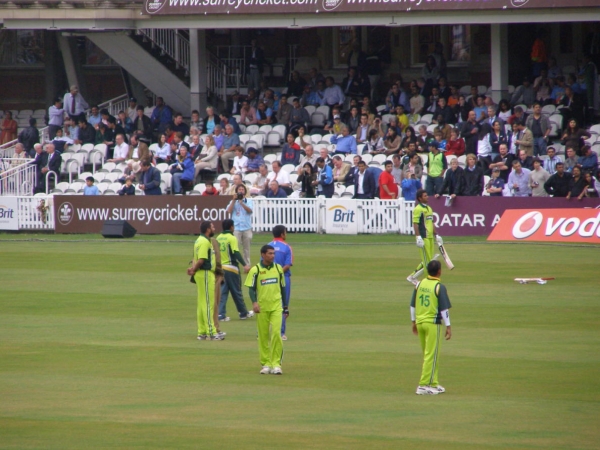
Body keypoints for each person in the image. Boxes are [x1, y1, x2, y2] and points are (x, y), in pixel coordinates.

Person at [411, 260, 452, 395]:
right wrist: (448, 326)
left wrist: (413, 322)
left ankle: (433, 383)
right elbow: (444, 310)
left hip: (420, 322)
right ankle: (423, 385)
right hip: (432, 324)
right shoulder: (439, 286)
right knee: (431, 355)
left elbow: (412, 305)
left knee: (429, 355)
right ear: (439, 271)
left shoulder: (419, 284)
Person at [245, 244, 287, 375]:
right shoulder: (256, 270)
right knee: (263, 336)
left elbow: (283, 288)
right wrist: (254, 303)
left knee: (276, 334)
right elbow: (251, 288)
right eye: (270, 253)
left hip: (276, 307)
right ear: (262, 255)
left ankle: (276, 364)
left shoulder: (278, 269)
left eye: (273, 253)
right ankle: (266, 364)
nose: (273, 256)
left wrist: (285, 307)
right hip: (262, 308)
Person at [187, 221, 222, 341]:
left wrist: (193, 269)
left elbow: (196, 259)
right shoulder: (204, 242)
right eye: (212, 227)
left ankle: (202, 331)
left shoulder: (198, 241)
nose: (214, 228)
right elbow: (201, 260)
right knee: (208, 303)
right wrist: (194, 270)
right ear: (208, 229)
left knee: (202, 303)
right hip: (206, 274)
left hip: (202, 274)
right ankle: (211, 332)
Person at [216, 219, 253, 322]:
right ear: (231, 227)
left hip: (221, 268)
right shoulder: (232, 238)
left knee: (223, 291)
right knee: (236, 291)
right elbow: (236, 252)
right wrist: (245, 265)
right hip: (231, 268)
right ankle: (243, 313)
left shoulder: (218, 237)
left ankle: (221, 314)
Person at [407, 189, 443, 286]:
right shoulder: (418, 209)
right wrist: (418, 237)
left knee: (429, 260)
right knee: (427, 262)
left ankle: (412, 277)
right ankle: (428, 281)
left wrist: (436, 235)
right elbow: (415, 224)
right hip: (423, 238)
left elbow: (431, 222)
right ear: (420, 198)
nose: (427, 197)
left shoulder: (429, 208)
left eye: (427, 195)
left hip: (430, 237)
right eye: (425, 196)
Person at [267, 225, 293, 341]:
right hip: (283, 278)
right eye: (285, 232)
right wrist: (278, 273)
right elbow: (287, 265)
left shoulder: (267, 247)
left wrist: (271, 274)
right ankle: (281, 333)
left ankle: (264, 332)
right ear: (282, 234)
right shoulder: (287, 247)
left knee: (268, 303)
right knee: (282, 306)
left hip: (268, 278)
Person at [226, 184, 253, 264]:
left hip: (246, 227)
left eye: (242, 189)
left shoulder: (249, 201)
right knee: (235, 248)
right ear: (236, 191)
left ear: (245, 191)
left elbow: (250, 211)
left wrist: (242, 203)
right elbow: (229, 211)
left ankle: (247, 265)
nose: (241, 191)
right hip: (236, 228)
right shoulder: (232, 201)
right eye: (239, 189)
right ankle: (234, 264)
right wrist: (234, 200)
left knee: (246, 249)